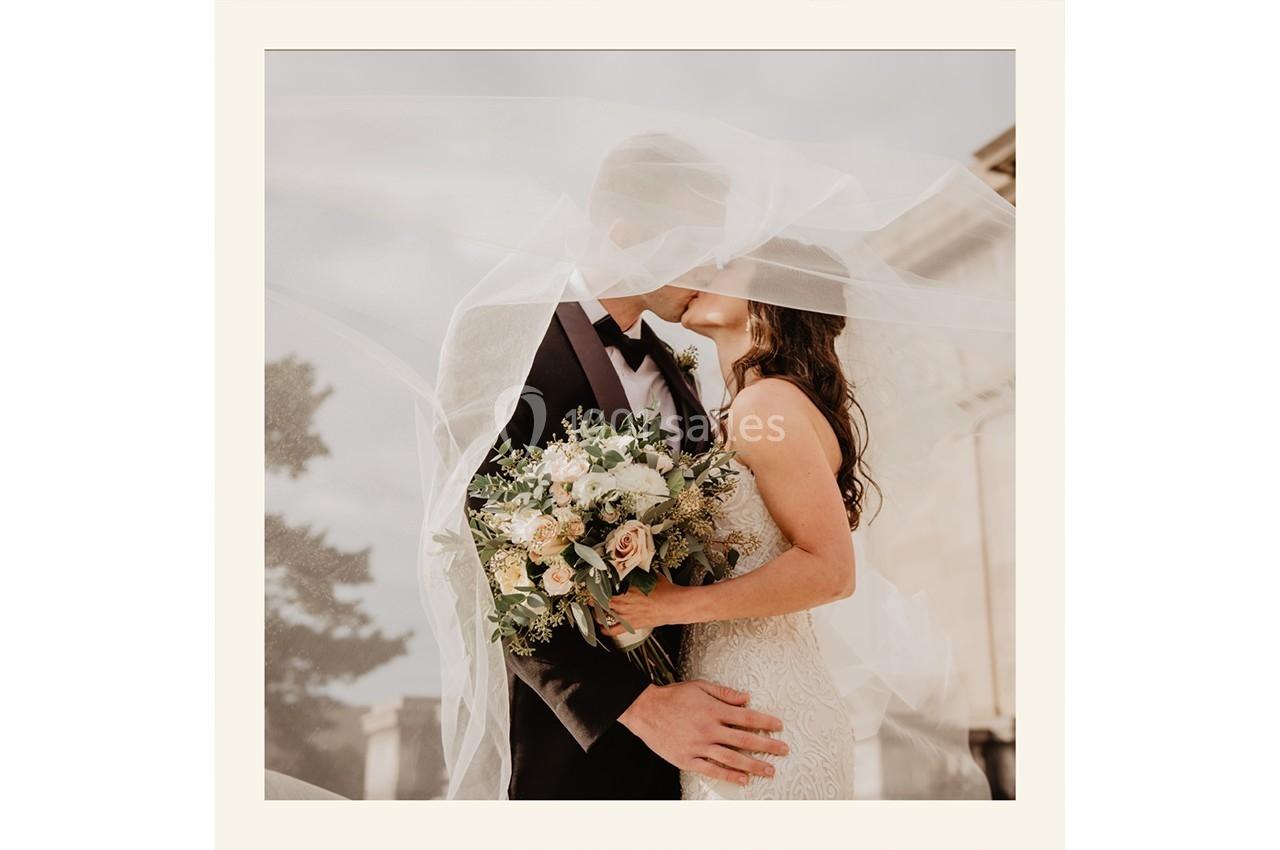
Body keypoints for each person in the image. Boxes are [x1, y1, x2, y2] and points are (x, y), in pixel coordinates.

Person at [477, 135, 788, 800]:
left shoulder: (682, 377)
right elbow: (484, 552)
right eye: (696, 242)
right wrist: (640, 707)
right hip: (579, 748)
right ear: (627, 234)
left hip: (705, 738)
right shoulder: (506, 341)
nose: (711, 265)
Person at [605, 245, 877, 799]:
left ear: (774, 297)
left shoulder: (767, 407)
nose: (701, 269)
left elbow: (831, 570)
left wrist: (669, 603)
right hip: (736, 702)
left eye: (726, 265)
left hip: (766, 710)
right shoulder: (746, 408)